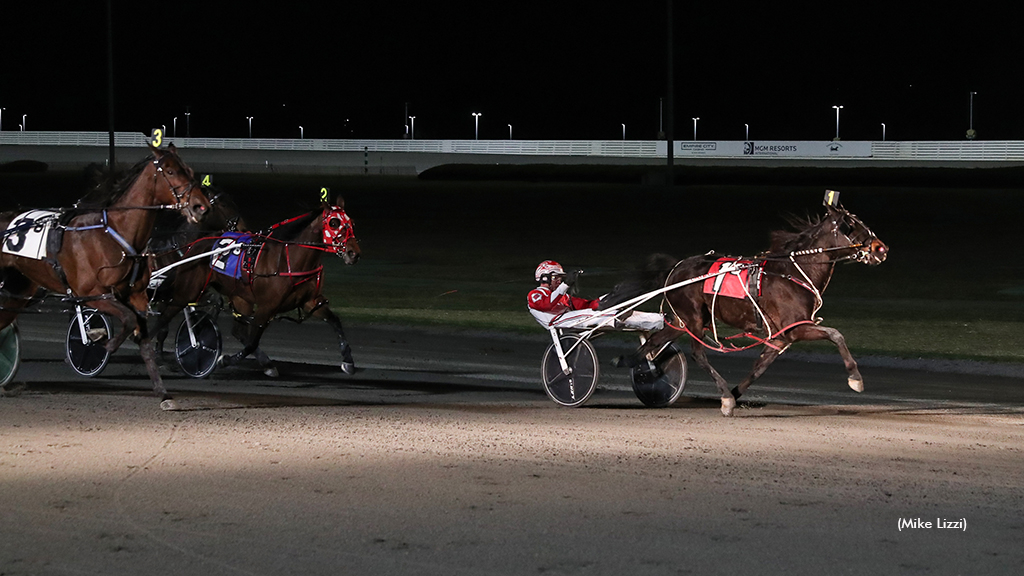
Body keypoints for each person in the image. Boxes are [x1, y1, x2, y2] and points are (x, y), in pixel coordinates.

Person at [527, 260, 663, 332]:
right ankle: (615, 315)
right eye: (556, 277)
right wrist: (566, 284)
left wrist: (605, 300)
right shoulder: (534, 295)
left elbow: (587, 305)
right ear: (544, 278)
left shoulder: (563, 297)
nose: (559, 281)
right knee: (598, 315)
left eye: (561, 278)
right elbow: (546, 304)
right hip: (559, 322)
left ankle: (660, 321)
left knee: (606, 303)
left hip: (572, 319)